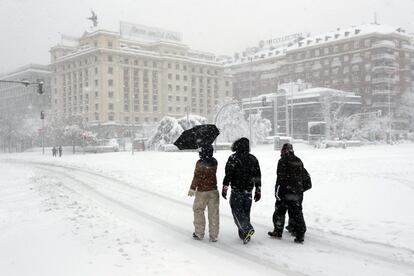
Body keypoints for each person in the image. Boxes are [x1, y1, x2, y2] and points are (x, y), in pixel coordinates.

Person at [222, 137, 261, 244]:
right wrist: (258, 190)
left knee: (237, 211)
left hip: (237, 191)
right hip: (249, 191)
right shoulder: (253, 159)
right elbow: (258, 176)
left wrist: (225, 187)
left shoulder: (233, 158)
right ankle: (244, 234)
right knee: (245, 212)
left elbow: (228, 174)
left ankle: (247, 229)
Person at [268, 143, 307, 243]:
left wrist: (277, 192)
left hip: (285, 192)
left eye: (283, 150)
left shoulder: (282, 161)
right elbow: (303, 176)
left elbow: (280, 178)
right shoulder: (298, 160)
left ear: (284, 151)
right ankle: (300, 234)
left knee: (279, 212)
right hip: (297, 192)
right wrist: (300, 190)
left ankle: (278, 231)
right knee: (297, 213)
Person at [188, 145, 219, 242]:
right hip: (213, 191)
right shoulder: (214, 162)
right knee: (213, 213)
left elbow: (197, 176)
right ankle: (214, 236)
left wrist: (192, 188)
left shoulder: (200, 163)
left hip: (202, 191)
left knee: (198, 211)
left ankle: (199, 233)